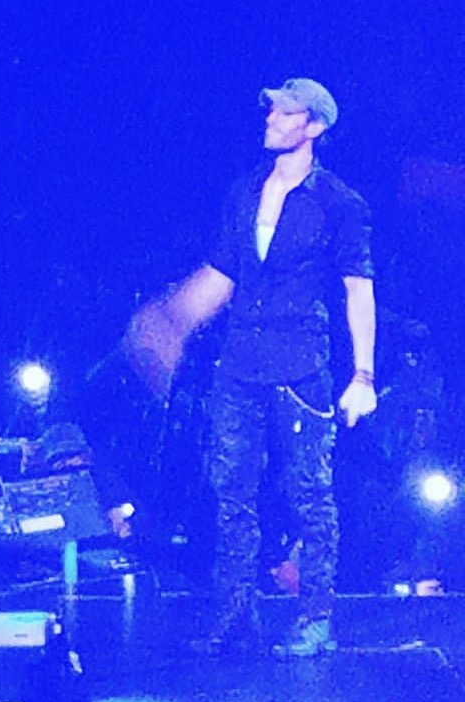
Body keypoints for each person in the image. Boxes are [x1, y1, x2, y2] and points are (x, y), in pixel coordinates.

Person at [124, 77, 377, 657]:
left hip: (299, 367)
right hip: (239, 365)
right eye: (271, 111)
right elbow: (224, 273)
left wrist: (363, 375)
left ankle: (315, 616)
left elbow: (358, 288)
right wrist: (173, 318)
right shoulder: (244, 191)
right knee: (230, 493)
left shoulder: (338, 202)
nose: (270, 119)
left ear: (313, 127)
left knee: (309, 495)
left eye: (284, 113)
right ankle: (235, 616)